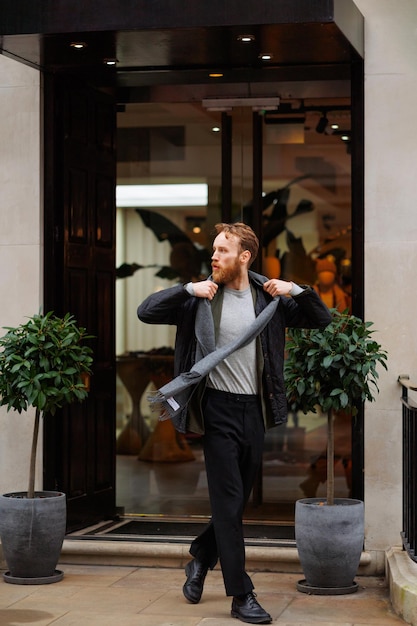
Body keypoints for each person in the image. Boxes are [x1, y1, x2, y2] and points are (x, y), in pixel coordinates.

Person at [137, 222, 331, 624]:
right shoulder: (200, 299)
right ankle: (242, 595)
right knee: (227, 503)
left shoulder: (269, 300)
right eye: (214, 250)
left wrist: (294, 289)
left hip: (254, 412)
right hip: (217, 411)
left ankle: (200, 559)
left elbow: (321, 320)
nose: (214, 257)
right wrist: (187, 289)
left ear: (244, 256)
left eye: (223, 251)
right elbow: (146, 311)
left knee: (236, 503)